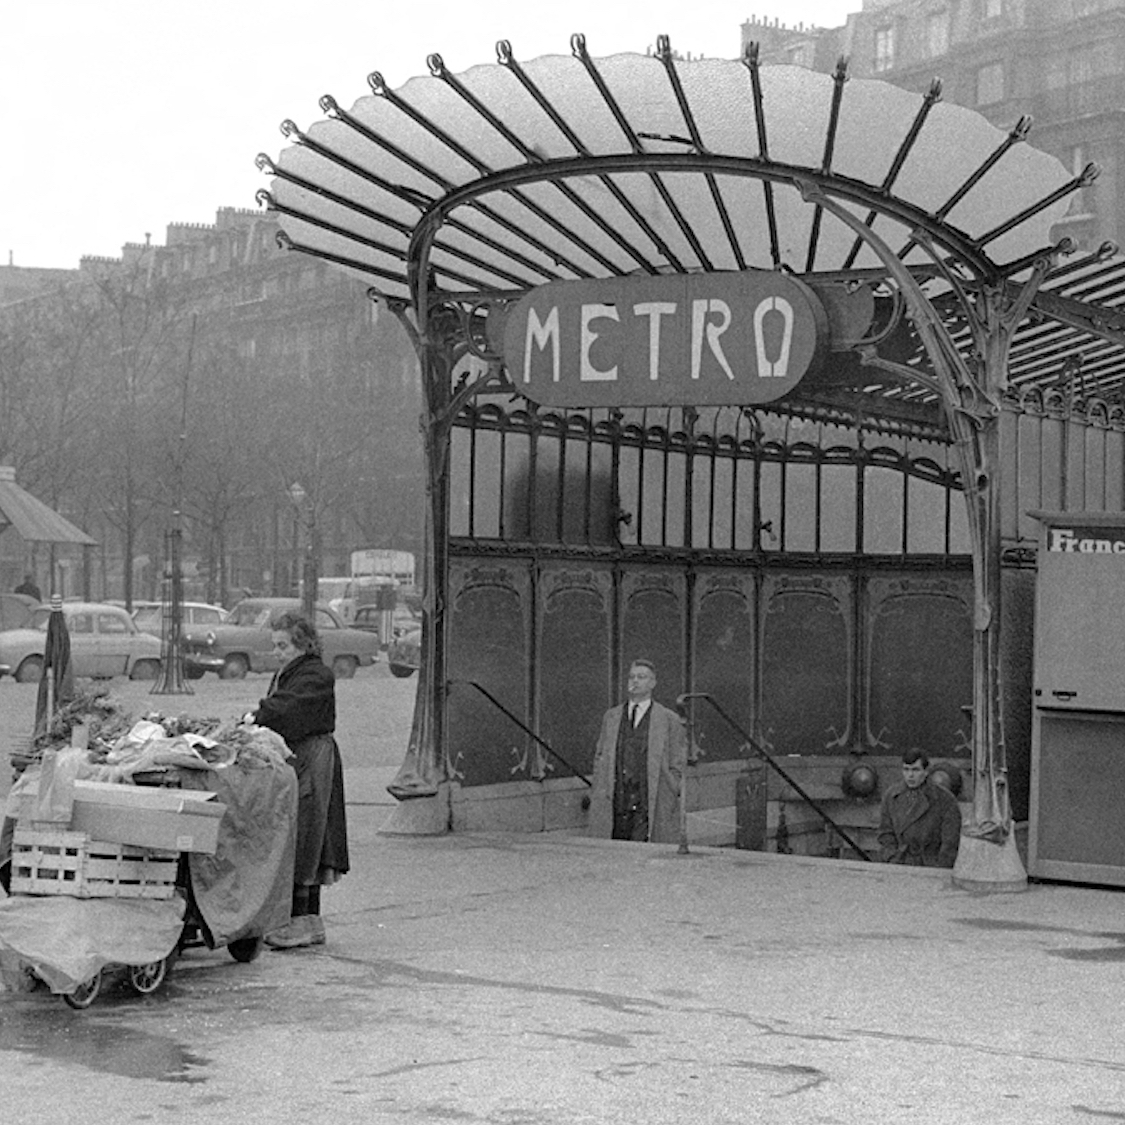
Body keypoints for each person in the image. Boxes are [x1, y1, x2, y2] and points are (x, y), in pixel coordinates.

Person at [248, 612, 350, 949]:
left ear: (303, 644)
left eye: (283, 645)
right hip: (298, 757)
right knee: (300, 833)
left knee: (308, 833)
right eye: (274, 645)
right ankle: (301, 920)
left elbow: (288, 708)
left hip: (312, 758)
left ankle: (303, 922)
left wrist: (257, 715)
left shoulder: (316, 674)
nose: (277, 652)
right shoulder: (293, 672)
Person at [588, 659, 687, 844]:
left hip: (649, 801)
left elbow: (677, 762)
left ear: (652, 683)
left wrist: (672, 787)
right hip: (617, 800)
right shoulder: (612, 717)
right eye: (631, 677)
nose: (635, 681)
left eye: (641, 677)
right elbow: (600, 756)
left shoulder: (668, 719)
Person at [877, 747, 962, 868]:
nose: (910, 775)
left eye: (915, 770)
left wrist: (938, 869)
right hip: (899, 864)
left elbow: (950, 844)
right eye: (906, 770)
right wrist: (892, 858)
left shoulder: (945, 800)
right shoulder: (891, 796)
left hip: (929, 866)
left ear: (926, 771)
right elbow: (885, 834)